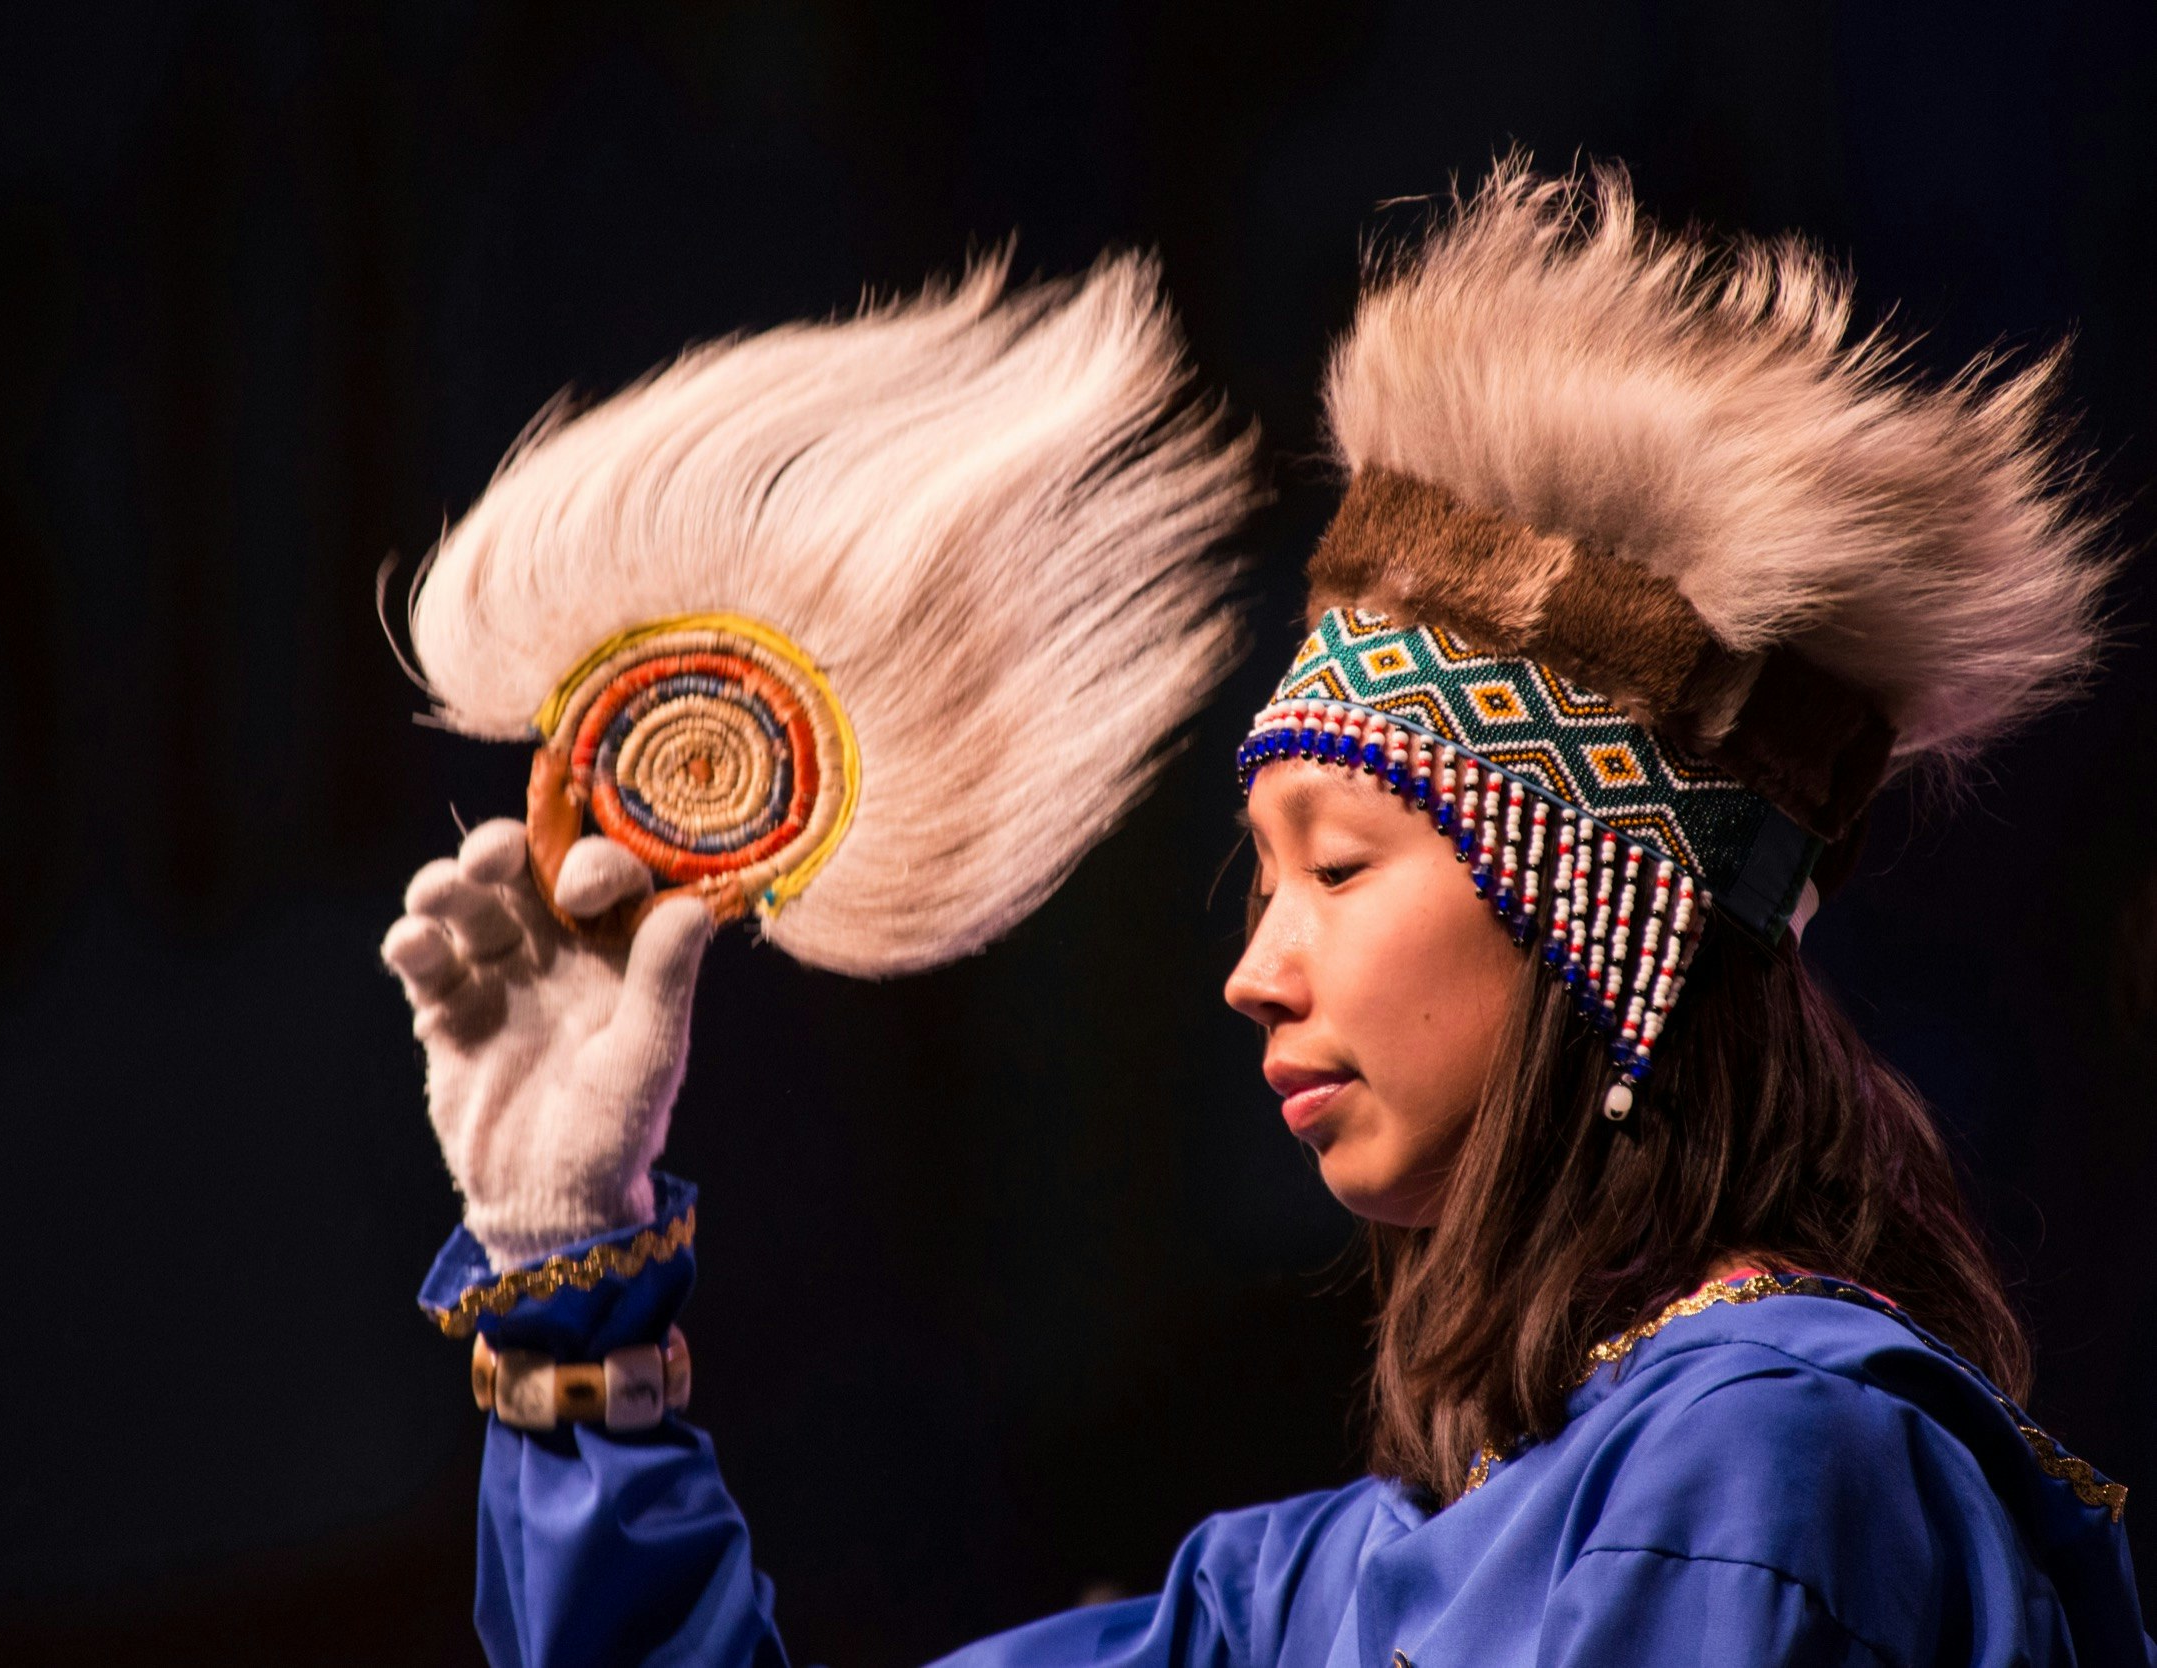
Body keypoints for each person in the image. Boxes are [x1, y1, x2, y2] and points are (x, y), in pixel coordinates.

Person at [380, 163, 2149, 1666]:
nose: (1251, 967)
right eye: (1263, 876)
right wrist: (561, 1274)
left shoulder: (1770, 1468)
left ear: (1595, 891)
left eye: (1341, 863)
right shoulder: (1303, 1590)